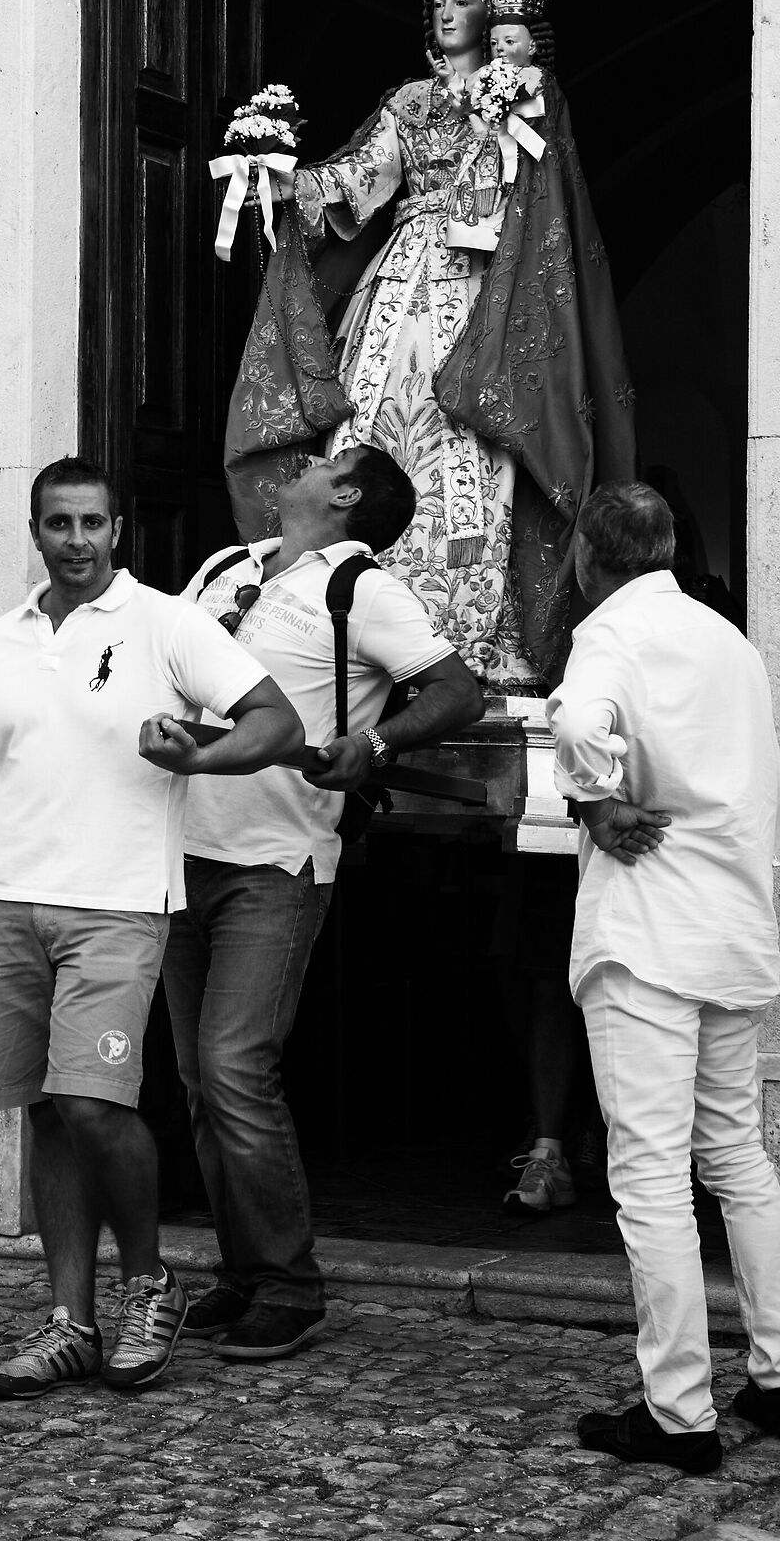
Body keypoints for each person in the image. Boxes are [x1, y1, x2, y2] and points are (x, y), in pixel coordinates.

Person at [0, 456, 303, 1402]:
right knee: (50, 1112)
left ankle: (148, 1282)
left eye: (92, 523)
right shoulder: (1, 638)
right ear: (36, 530)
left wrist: (203, 756)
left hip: (119, 903)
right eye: (59, 524)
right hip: (8, 898)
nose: (76, 541)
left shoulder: (167, 625)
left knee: (98, 1102)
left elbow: (279, 722)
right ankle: (72, 1323)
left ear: (117, 530)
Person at [225, 0, 636, 696]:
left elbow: (540, 198)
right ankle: (349, 607)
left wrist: (511, 113)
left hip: (483, 285)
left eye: (464, 1)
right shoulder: (408, 101)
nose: (447, 14)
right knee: (369, 425)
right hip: (401, 283)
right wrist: (284, 179)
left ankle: (469, 629)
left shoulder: (521, 94)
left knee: (470, 437)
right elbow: (362, 179)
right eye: (438, 2)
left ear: (496, 13)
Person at [167, 444, 481, 1361]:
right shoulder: (228, 566)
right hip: (181, 851)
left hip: (278, 860)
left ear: (344, 495)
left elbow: (457, 689)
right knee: (197, 1080)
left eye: (325, 461)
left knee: (234, 1065)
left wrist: (375, 745)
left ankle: (291, 1286)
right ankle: (243, 1273)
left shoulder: (362, 592)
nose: (302, 464)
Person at [550, 481, 780, 1476]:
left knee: (650, 1172)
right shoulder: (729, 643)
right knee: (737, 1157)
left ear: (590, 555)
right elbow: (776, 792)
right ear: (663, 548)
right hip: (732, 930)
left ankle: (677, 1411)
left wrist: (595, 801)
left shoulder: (609, 632)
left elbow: (577, 724)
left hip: (650, 934)